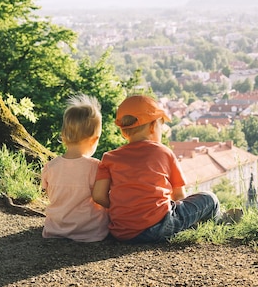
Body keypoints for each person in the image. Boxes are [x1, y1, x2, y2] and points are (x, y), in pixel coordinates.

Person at [92, 94, 220, 242]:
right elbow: (179, 196)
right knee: (210, 199)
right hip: (158, 228)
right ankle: (219, 224)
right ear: (153, 126)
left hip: (122, 232)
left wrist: (123, 207)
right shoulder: (163, 152)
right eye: (161, 124)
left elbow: (99, 196)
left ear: (123, 130)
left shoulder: (109, 157)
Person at [41, 94, 109, 242]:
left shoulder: (50, 167)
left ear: (64, 134)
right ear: (95, 139)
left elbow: (51, 195)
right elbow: (102, 197)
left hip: (55, 229)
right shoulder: (96, 167)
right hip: (91, 231)